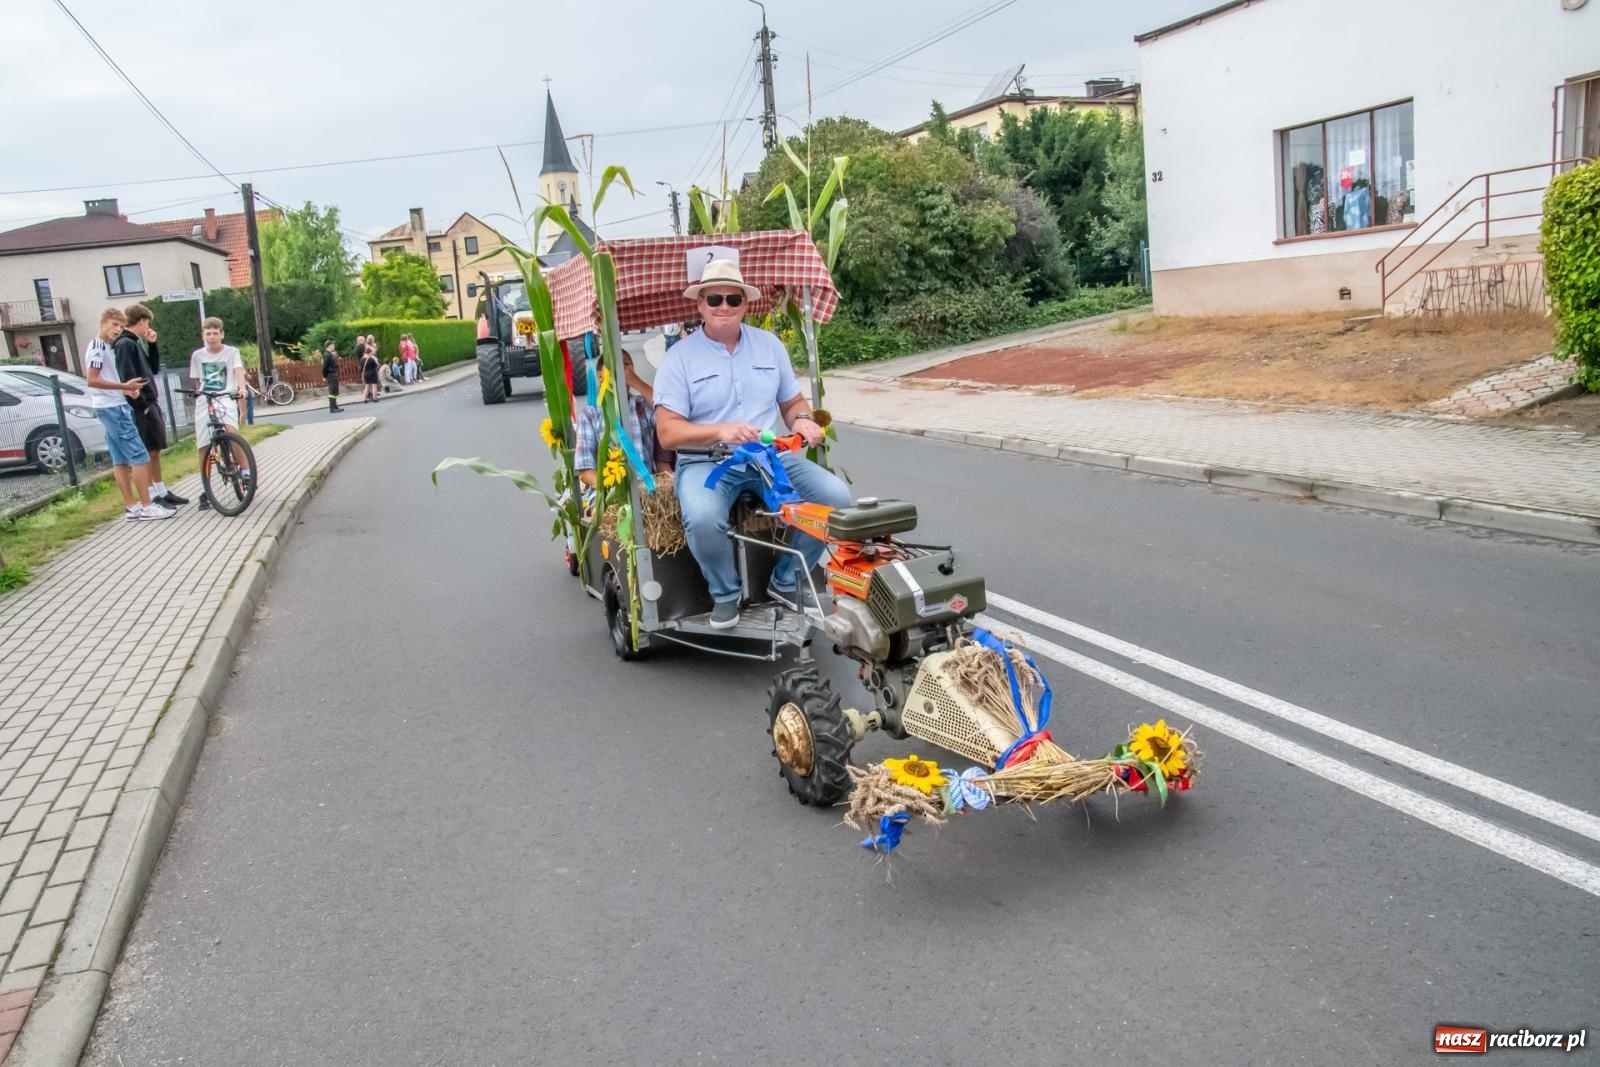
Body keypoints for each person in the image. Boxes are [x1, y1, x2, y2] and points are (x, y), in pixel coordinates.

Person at [653, 260, 850, 629]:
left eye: (733, 298)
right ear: (700, 305)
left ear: (745, 304)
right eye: (715, 299)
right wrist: (720, 431)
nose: (723, 306)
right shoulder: (679, 358)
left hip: (769, 458)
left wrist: (803, 420)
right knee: (702, 518)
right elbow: (668, 433)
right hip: (705, 462)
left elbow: (791, 403)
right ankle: (725, 595)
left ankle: (787, 580)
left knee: (837, 499)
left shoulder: (769, 346)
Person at [84, 308, 173, 521]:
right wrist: (123, 386)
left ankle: (132, 507)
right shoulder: (97, 346)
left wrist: (125, 389)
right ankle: (146, 506)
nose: (118, 330)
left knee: (120, 460)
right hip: (112, 408)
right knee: (140, 457)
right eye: (114, 325)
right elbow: (92, 380)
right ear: (103, 322)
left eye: (121, 326)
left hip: (112, 404)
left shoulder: (107, 346)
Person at [113, 303, 186, 507]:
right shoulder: (125, 344)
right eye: (147, 323)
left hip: (149, 402)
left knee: (155, 448)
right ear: (142, 321)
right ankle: (152, 495)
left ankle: (160, 490)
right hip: (141, 405)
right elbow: (128, 376)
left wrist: (152, 344)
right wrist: (141, 403)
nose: (148, 327)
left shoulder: (135, 342)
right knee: (145, 451)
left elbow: (152, 368)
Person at [573, 349, 670, 490]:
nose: (619, 369)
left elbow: (668, 411)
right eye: (612, 365)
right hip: (609, 490)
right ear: (600, 376)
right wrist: (612, 490)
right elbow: (586, 470)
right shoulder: (591, 415)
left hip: (647, 487)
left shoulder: (642, 405)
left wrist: (637, 382)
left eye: (625, 365)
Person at [189, 317, 249, 513]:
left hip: (225, 396)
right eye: (208, 333)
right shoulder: (197, 356)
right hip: (206, 399)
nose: (212, 337)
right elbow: (198, 382)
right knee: (203, 445)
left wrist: (241, 388)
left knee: (231, 432)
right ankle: (204, 488)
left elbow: (238, 371)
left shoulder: (231, 352)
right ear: (203, 335)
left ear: (221, 334)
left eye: (215, 333)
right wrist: (200, 397)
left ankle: (247, 472)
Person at [322, 340, 344, 414]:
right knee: (332, 391)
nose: (334, 346)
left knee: (335, 391)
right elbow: (325, 366)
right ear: (329, 346)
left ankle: (335, 406)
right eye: (333, 345)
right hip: (331, 375)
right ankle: (332, 408)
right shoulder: (327, 355)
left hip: (333, 374)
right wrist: (324, 376)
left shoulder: (329, 354)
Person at [360, 336, 381, 403]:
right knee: (374, 386)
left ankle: (365, 399)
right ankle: (374, 398)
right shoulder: (371, 359)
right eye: (372, 352)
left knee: (367, 387)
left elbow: (361, 367)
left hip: (365, 374)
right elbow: (376, 366)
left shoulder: (361, 359)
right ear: (370, 352)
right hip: (372, 373)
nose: (373, 353)